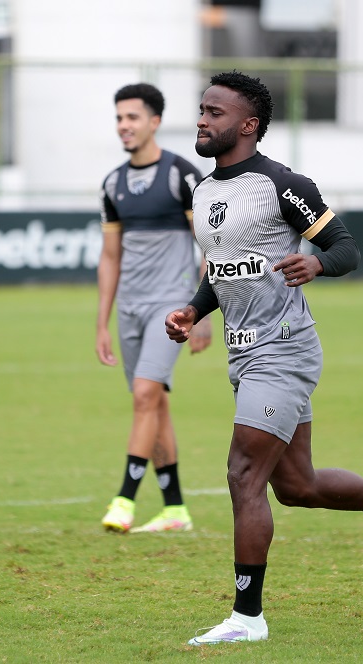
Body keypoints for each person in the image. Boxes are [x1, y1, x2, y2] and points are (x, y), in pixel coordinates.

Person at [164, 70, 363, 646]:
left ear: (248, 126)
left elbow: (345, 247)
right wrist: (194, 312)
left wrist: (317, 264)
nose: (201, 119)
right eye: (201, 109)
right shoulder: (202, 192)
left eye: (214, 112)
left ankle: (248, 620)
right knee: (296, 485)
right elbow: (222, 272)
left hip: (285, 348)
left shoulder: (281, 184)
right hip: (243, 351)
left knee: (243, 473)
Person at [96, 83, 211, 534]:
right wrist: (101, 324)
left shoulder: (181, 176)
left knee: (145, 395)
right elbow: (110, 257)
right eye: (119, 118)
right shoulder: (112, 184)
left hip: (172, 307)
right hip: (129, 309)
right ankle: (176, 510)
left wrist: (199, 313)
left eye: (133, 117)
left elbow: (210, 247)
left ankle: (124, 500)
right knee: (154, 403)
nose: (124, 126)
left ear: (155, 122)